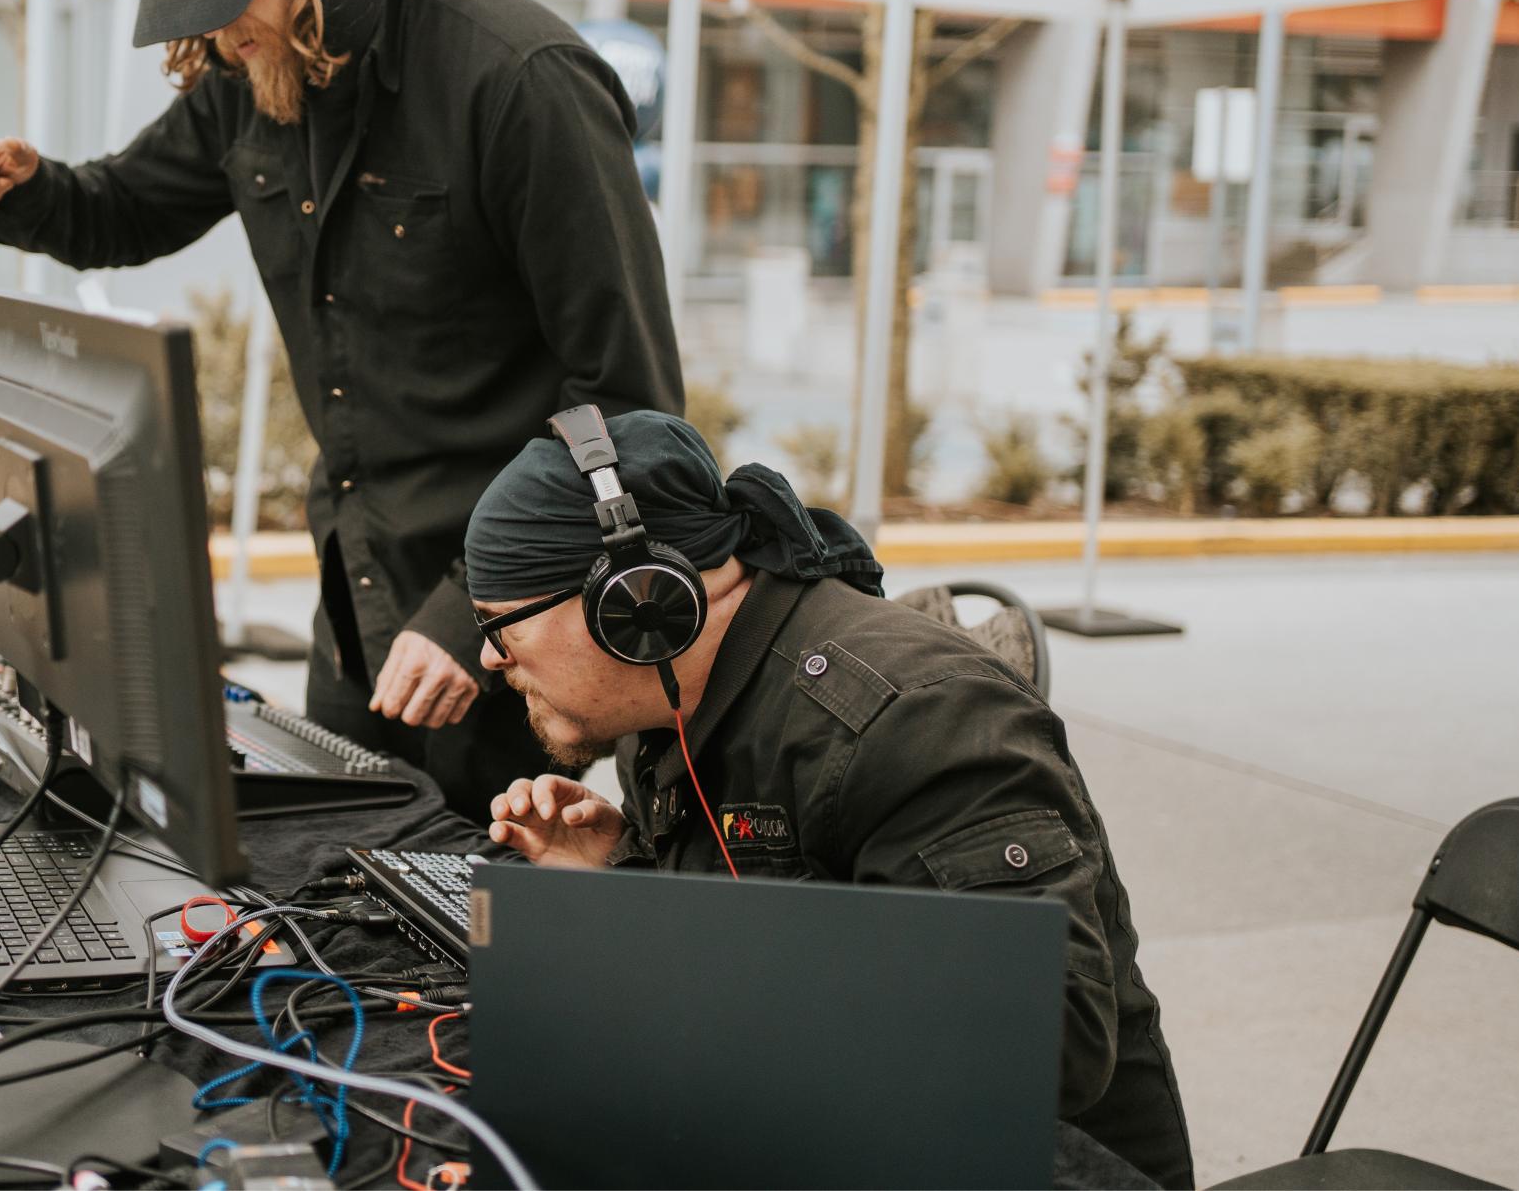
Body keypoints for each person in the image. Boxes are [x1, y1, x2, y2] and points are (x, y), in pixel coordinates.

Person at [0, 0, 680, 821]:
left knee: (475, 940)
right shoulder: (253, 65)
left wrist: (473, 615)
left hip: (512, 624)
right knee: (332, 908)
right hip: (353, 601)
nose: (207, 22)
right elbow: (123, 210)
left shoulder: (520, 81)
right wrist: (19, 189)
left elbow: (627, 413)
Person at [468, 408, 1194, 1189]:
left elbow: (1049, 1042)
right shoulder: (677, 696)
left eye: (499, 625)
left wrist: (675, 955)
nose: (487, 656)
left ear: (635, 604)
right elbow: (770, 927)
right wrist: (619, 878)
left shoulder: (918, 717)